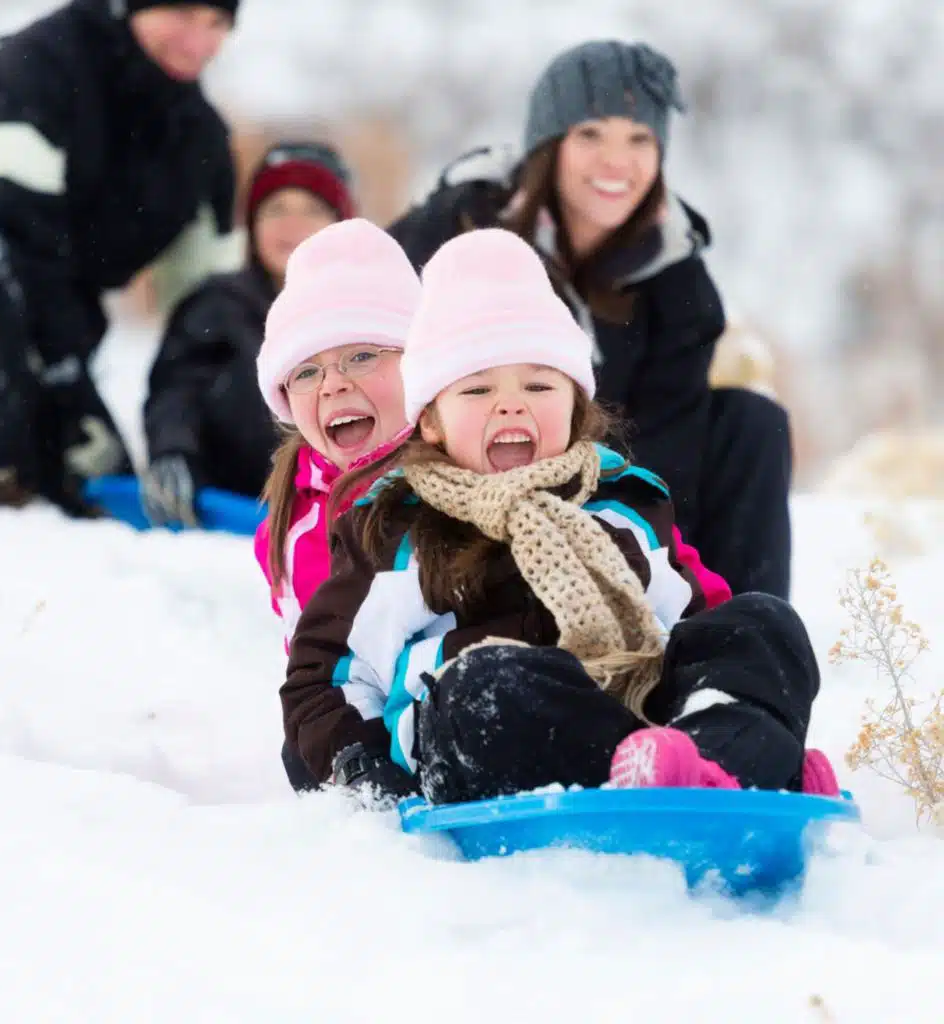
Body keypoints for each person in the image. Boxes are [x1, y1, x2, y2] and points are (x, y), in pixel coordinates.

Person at [281, 229, 839, 806]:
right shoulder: (398, 529)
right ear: (431, 422)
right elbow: (328, 676)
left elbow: (691, 629)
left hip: (641, 711)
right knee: (487, 683)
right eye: (476, 389)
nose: (510, 403)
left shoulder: (624, 505)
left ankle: (721, 759)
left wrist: (731, 678)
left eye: (538, 384)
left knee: (759, 622)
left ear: (574, 405)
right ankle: (695, 766)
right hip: (484, 740)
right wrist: (361, 764)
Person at [388, 40, 793, 599]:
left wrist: (621, 546)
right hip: (460, 480)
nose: (617, 162)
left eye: (640, 138)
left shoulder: (676, 279)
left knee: (752, 422)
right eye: (591, 134)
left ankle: (742, 621)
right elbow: (368, 340)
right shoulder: (461, 224)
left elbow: (667, 449)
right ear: (549, 144)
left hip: (600, 485)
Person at [0, 0, 242, 513]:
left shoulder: (200, 143)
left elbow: (212, 309)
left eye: (217, 23)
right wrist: (68, 381)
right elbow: (15, 230)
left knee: (98, 477)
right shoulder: (41, 63)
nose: (199, 40)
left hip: (58, 322)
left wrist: (195, 438)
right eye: (182, 13)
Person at [253, 217, 421, 791]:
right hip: (364, 725)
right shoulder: (292, 525)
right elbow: (311, 671)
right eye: (306, 371)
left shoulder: (465, 474)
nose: (333, 385)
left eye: (362, 355)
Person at [141, 141, 357, 525]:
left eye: (312, 210)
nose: (292, 225)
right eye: (276, 210)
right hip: (234, 510)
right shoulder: (217, 304)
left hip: (348, 512)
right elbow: (176, 391)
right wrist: (173, 450)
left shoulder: (372, 316)